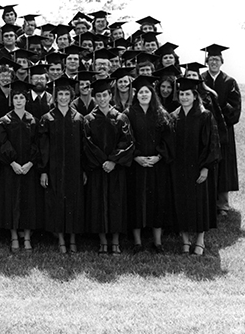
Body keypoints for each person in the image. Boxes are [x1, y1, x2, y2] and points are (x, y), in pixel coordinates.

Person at [83, 79, 134, 255]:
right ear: (94, 98)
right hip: (97, 170)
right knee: (98, 204)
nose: (102, 99)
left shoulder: (121, 118)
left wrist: (113, 161)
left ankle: (116, 242)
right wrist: (102, 161)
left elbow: (127, 143)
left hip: (115, 169)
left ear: (110, 96)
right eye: (98, 96)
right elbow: (87, 144)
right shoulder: (88, 120)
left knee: (116, 204)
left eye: (105, 95)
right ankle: (103, 242)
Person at [123, 75, 173, 253]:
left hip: (156, 166)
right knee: (135, 201)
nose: (144, 95)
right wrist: (136, 156)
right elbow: (126, 139)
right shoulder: (129, 114)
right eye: (141, 92)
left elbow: (168, 140)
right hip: (136, 166)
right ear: (136, 95)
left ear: (152, 94)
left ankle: (157, 242)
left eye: (147, 92)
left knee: (157, 201)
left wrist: (159, 156)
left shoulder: (161, 114)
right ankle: (137, 242)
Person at [170, 77, 220, 256]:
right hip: (178, 168)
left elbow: (212, 144)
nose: (184, 97)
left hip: (198, 168)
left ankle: (200, 240)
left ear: (195, 95)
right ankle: (185, 240)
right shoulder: (174, 116)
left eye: (187, 94)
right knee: (181, 202)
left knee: (200, 203)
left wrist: (205, 168)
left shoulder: (205, 115)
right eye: (181, 94)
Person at [39, 77, 86, 253]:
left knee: (74, 202)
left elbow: (83, 147)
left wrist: (84, 170)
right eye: (60, 94)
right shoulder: (47, 118)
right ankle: (60, 239)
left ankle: (72, 239)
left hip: (74, 169)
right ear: (55, 96)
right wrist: (44, 171)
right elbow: (43, 148)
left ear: (71, 96)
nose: (64, 97)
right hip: (54, 169)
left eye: (67, 94)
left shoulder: (79, 118)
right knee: (57, 203)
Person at [0, 80, 43, 252]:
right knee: (11, 201)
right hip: (11, 168)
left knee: (28, 201)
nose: (18, 101)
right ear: (12, 100)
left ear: (26, 100)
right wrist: (13, 163)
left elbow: (37, 144)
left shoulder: (34, 121)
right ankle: (14, 236)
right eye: (15, 98)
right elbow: (2, 143)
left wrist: (30, 163)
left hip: (29, 168)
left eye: (21, 98)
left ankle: (28, 237)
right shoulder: (4, 121)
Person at [200, 44, 241, 216]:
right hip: (204, 129)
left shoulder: (229, 82)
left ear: (222, 61)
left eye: (216, 59)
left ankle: (222, 204)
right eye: (211, 59)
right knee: (206, 161)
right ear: (207, 61)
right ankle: (207, 202)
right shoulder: (201, 80)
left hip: (223, 129)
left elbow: (235, 107)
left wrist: (218, 114)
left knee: (224, 164)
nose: (214, 62)